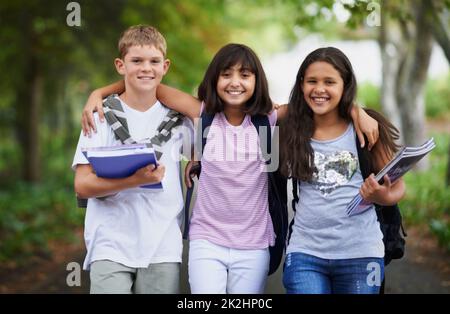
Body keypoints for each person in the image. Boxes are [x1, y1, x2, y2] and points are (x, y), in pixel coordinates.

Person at [80, 43, 379, 294]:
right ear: (215, 79)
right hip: (206, 240)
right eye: (226, 74)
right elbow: (149, 83)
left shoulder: (268, 119)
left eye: (245, 75)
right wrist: (100, 92)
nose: (235, 82)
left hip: (254, 245)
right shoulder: (203, 114)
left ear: (256, 81)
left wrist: (356, 110)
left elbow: (316, 102)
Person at [72, 25, 190, 294]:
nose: (145, 68)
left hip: (162, 244)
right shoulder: (99, 115)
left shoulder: (179, 119)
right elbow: (82, 184)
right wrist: (134, 180)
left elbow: (210, 121)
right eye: (136, 61)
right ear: (120, 65)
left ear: (165, 66)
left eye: (154, 62)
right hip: (110, 242)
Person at [280, 47, 406, 294]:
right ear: (301, 84)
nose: (319, 89)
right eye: (312, 81)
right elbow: (254, 110)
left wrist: (381, 196)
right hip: (305, 252)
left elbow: (398, 186)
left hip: (362, 253)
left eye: (330, 82)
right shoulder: (291, 125)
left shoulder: (367, 128)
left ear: (345, 85)